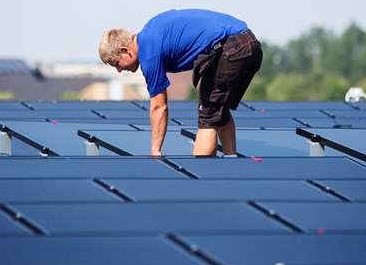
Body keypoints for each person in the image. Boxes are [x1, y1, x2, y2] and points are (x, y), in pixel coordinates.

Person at [99, 9, 263, 157]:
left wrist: (155, 152)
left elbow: (159, 106)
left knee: (208, 118)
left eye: (116, 64)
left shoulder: (149, 54)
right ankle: (231, 160)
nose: (119, 70)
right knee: (218, 109)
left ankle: (202, 178)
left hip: (231, 47)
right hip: (249, 43)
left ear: (124, 50)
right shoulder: (150, 31)